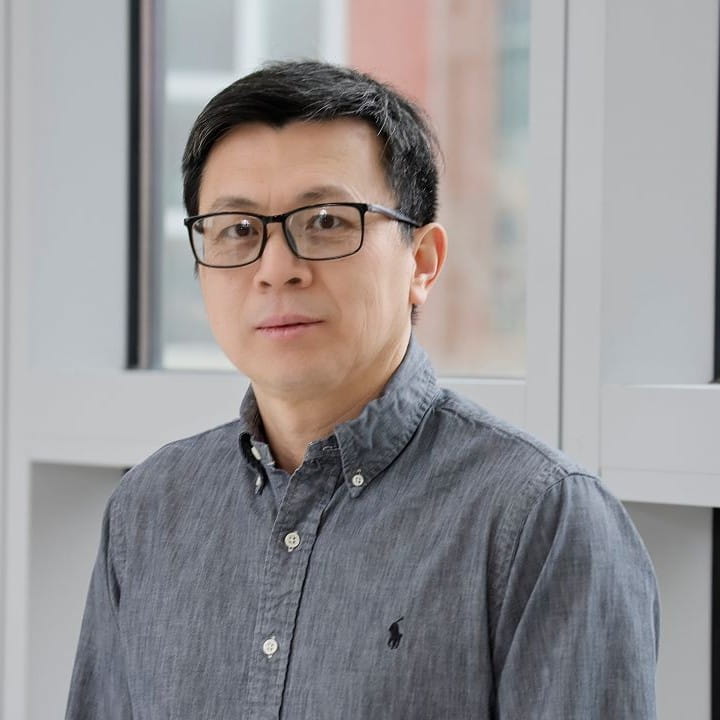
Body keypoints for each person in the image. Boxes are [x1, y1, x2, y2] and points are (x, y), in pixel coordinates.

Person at [66, 61, 659, 719]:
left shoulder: (540, 524)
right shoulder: (149, 509)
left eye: (325, 221)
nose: (276, 269)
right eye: (237, 231)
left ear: (423, 262)